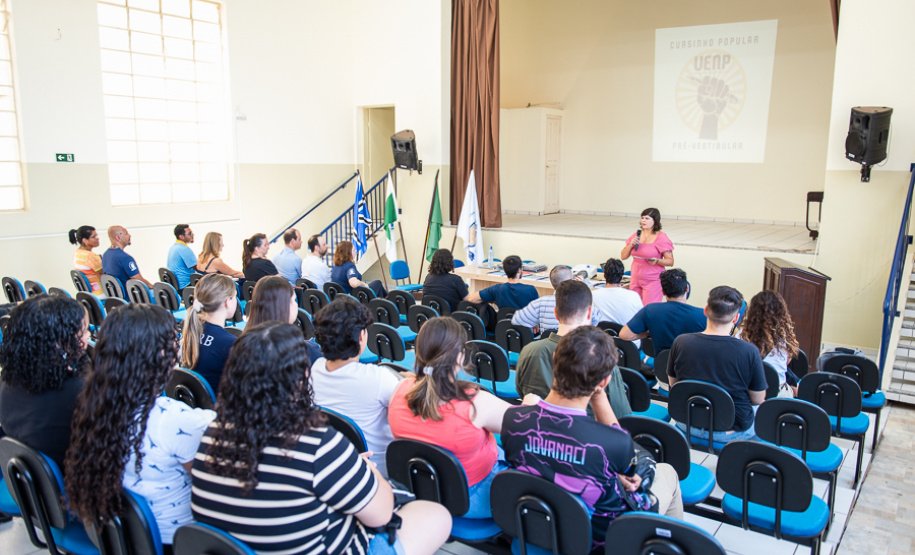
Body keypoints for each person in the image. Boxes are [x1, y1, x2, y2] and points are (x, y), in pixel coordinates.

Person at [191, 322, 452, 555]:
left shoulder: (210, 437)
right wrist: (366, 472)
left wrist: (342, 467)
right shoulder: (316, 446)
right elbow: (381, 514)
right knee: (436, 515)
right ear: (299, 380)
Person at [502, 326, 683, 548]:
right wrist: (599, 395)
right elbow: (628, 469)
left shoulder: (513, 420)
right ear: (604, 382)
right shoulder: (613, 443)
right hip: (601, 540)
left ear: (554, 358)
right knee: (668, 473)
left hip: (537, 524)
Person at [65, 304, 216, 548]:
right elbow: (211, 481)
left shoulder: (96, 403)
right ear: (158, 355)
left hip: (125, 534)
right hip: (176, 540)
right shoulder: (175, 420)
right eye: (173, 341)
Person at [388, 317, 536, 519]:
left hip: (419, 486)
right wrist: (530, 400)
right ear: (460, 357)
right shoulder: (475, 403)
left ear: (418, 352)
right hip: (470, 498)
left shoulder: (399, 389)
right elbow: (526, 426)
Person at [311, 296, 401, 475]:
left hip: (336, 464)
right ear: (361, 335)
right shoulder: (379, 378)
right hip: (379, 471)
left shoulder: (316, 369)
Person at [515, 280, 631, 418]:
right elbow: (621, 416)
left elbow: (524, 395)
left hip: (538, 432)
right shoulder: (601, 359)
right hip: (588, 437)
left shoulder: (529, 351)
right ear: (589, 313)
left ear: (556, 313)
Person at [0, 294, 90, 470]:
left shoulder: (8, 378)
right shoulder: (79, 392)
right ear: (59, 343)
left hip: (29, 482)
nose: (89, 336)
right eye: (85, 330)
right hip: (72, 486)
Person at [668, 286, 767, 442]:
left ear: (706, 310)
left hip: (686, 422)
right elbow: (757, 399)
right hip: (732, 430)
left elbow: (674, 385)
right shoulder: (749, 351)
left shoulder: (681, 342)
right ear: (736, 318)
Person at [619, 268, 705, 353]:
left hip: (661, 365)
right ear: (687, 288)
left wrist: (648, 334)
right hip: (690, 366)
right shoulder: (702, 315)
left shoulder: (650, 310)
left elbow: (624, 335)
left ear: (663, 291)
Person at [180, 273, 238, 393]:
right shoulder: (230, 344)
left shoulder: (191, 331)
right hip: (219, 408)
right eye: (235, 297)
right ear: (227, 302)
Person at [245, 275, 322, 364]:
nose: (296, 304)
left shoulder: (240, 346)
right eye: (294, 300)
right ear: (284, 306)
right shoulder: (305, 351)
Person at [737, 290, 801, 397]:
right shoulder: (785, 339)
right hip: (777, 394)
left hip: (747, 392)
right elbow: (786, 363)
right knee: (791, 384)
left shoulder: (740, 334)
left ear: (752, 311)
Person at [511, 265, 603, 334]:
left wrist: (532, 323)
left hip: (547, 350)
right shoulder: (580, 302)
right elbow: (598, 320)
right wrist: (581, 289)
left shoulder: (541, 302)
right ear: (572, 280)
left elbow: (516, 319)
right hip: (574, 349)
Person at [620, 208, 674, 305]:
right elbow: (623, 256)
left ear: (655, 220)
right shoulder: (636, 235)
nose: (643, 221)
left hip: (653, 280)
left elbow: (670, 261)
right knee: (634, 308)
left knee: (649, 309)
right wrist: (630, 245)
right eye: (642, 218)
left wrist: (657, 261)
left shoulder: (661, 237)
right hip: (635, 278)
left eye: (647, 218)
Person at [466, 255, 538, 310]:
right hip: (525, 329)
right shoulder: (531, 290)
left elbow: (471, 298)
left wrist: (492, 300)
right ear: (519, 270)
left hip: (503, 328)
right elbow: (539, 314)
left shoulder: (497, 289)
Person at [592, 258, 644, 327]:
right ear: (622, 278)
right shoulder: (634, 296)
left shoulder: (592, 295)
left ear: (604, 276)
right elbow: (642, 321)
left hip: (600, 336)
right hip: (626, 337)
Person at [102, 225, 154, 289]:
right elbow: (138, 279)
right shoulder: (125, 258)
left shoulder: (105, 255)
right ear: (118, 238)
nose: (129, 235)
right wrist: (153, 287)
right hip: (130, 297)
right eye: (126, 233)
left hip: (116, 297)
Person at [69, 225, 103, 295]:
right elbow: (106, 272)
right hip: (100, 292)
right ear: (84, 240)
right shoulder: (90, 255)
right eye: (94, 237)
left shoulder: (76, 253)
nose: (97, 239)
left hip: (89, 293)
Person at [167, 224, 198, 289]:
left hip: (176, 285)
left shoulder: (173, 247)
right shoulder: (184, 249)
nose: (193, 235)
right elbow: (197, 268)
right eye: (190, 234)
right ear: (181, 236)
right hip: (186, 286)